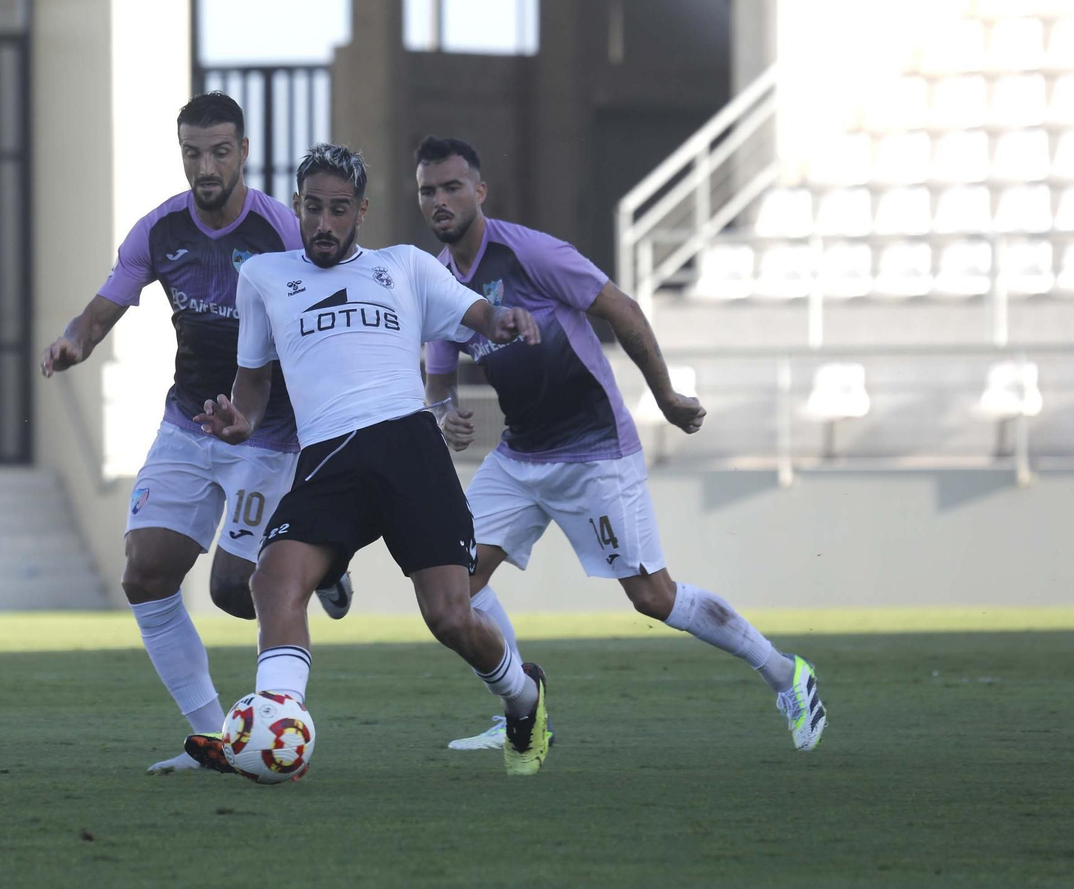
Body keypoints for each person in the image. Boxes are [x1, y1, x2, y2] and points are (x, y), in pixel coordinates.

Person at [413, 136, 826, 752]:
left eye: (451, 187)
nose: (440, 201)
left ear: (479, 191)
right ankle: (522, 705)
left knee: (653, 597)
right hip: (520, 458)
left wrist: (665, 396)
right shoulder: (439, 284)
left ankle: (785, 673)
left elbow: (623, 310)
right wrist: (444, 412)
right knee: (456, 587)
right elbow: (439, 378)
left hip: (593, 452)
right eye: (427, 191)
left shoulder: (531, 253)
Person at [185, 143, 552, 777]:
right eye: (311, 209)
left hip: (408, 447)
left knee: (449, 615)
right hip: (328, 455)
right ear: (296, 207)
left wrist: (507, 319)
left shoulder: (403, 267)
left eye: (338, 211)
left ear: (362, 211)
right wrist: (240, 421)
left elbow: (480, 314)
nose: (323, 225)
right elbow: (253, 381)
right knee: (271, 579)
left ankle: (524, 697)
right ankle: (278, 729)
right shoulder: (264, 277)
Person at [40, 93, 352, 775]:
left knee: (235, 590)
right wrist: (73, 342)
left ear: (242, 151)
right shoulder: (161, 230)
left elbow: (335, 308)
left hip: (267, 436)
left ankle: (325, 561)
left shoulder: (282, 229)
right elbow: (106, 302)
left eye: (218, 151)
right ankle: (216, 738)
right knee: (145, 574)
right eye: (191, 152)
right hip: (187, 423)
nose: (204, 166)